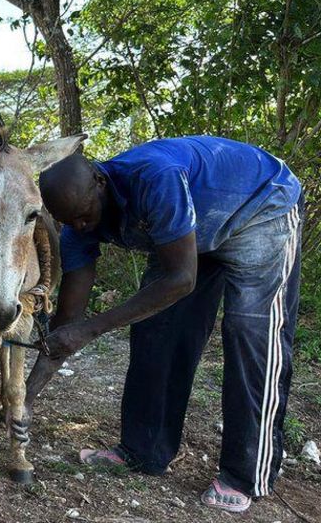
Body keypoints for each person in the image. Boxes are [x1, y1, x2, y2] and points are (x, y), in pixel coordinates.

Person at [37, 135, 302, 512]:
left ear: (100, 182)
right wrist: (27, 391)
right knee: (157, 328)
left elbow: (181, 279)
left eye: (85, 214)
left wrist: (92, 328)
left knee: (251, 333)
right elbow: (68, 320)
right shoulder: (76, 226)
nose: (80, 225)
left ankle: (245, 474)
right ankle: (143, 450)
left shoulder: (154, 177)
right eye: (70, 222)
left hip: (261, 209)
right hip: (187, 232)